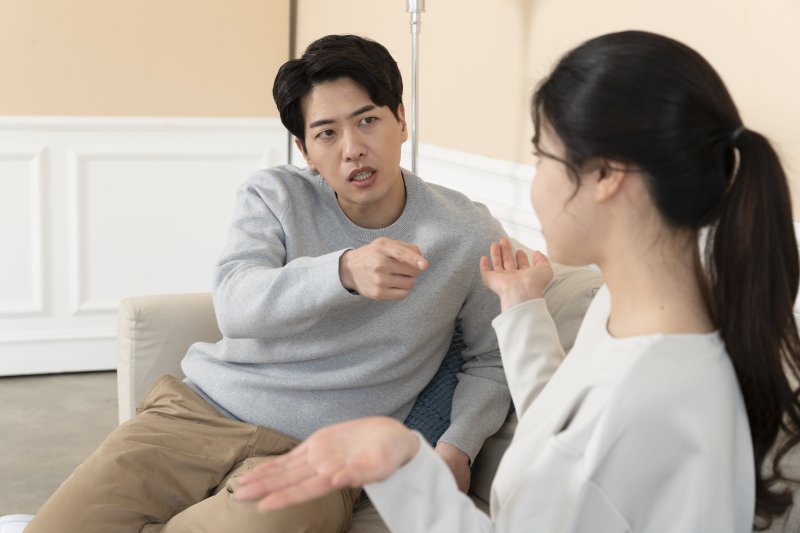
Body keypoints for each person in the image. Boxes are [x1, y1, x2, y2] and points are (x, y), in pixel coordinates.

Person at [234, 30, 800, 532]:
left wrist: (401, 463)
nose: (534, 185)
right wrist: (522, 309)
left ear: (605, 175)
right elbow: (568, 436)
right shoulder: (638, 313)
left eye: (541, 157)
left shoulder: (651, 398)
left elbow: (589, 454)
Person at [27, 35, 512, 532]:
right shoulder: (275, 195)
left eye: (368, 121)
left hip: (319, 458)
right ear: (305, 149)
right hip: (197, 415)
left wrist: (457, 448)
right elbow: (235, 305)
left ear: (401, 121)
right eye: (327, 133)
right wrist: (343, 271)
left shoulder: (466, 232)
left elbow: (490, 359)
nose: (353, 149)